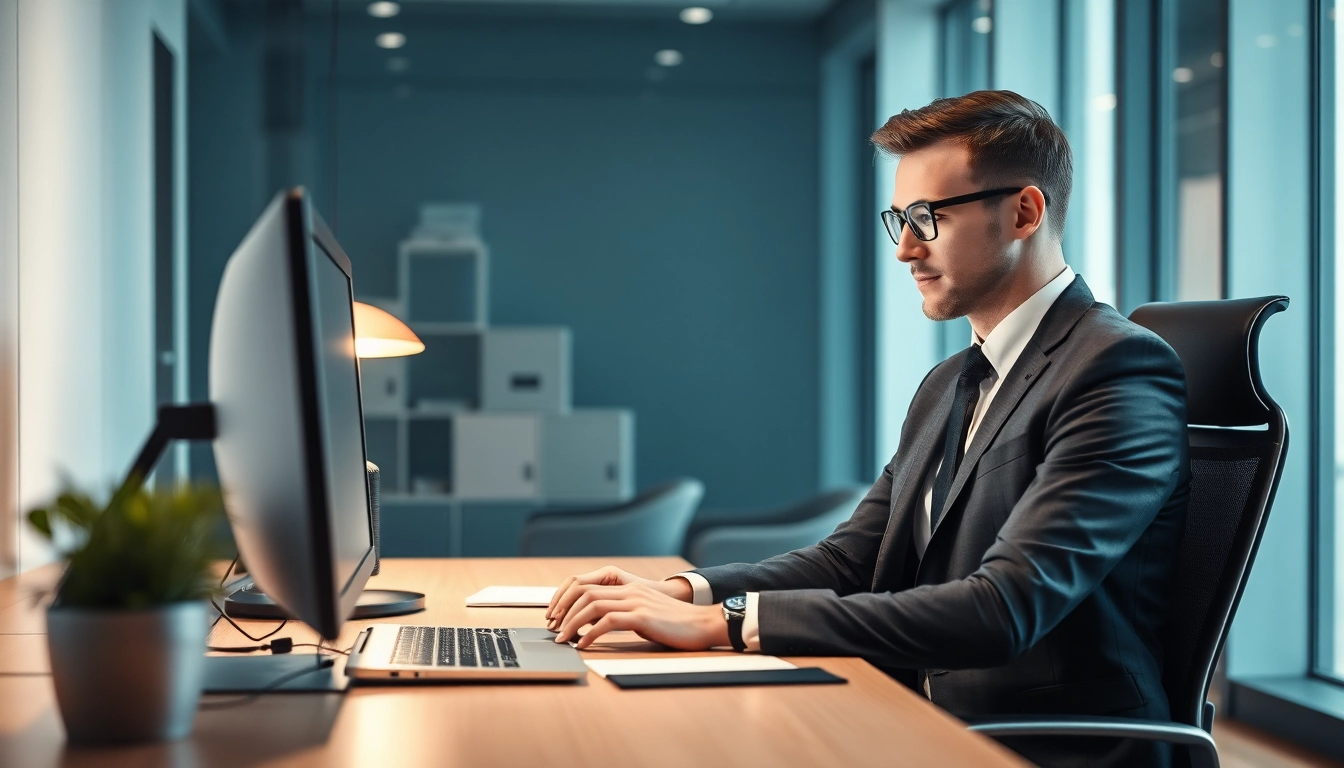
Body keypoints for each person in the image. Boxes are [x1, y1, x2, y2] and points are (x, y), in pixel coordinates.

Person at [544, 90, 1189, 768]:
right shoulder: (951, 382)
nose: (906, 248)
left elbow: (1005, 608)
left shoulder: (1116, 368)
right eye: (900, 220)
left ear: (1024, 212)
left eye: (928, 218)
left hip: (1043, 747)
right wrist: (683, 592)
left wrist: (724, 624)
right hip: (918, 716)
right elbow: (852, 560)